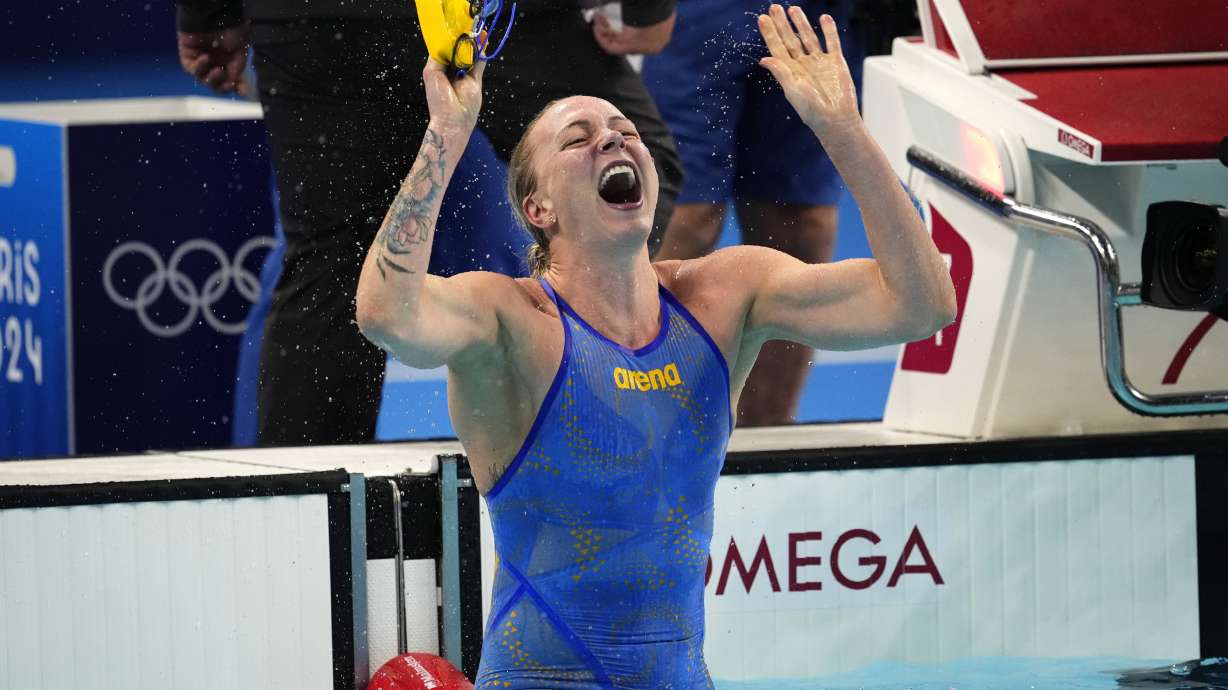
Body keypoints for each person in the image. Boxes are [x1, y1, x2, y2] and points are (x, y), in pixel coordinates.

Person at [356, 5, 955, 686]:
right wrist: (447, 133)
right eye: (579, 138)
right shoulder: (512, 322)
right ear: (538, 208)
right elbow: (385, 313)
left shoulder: (724, 295)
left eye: (625, 130)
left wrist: (842, 131)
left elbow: (921, 304)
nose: (613, 142)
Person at [174, 0, 685, 446]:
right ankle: (598, 423)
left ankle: (305, 514)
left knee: (329, 264)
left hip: (324, 19)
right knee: (635, 166)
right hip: (493, 15)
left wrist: (208, 15)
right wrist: (647, 10)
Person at [639, 0, 865, 427]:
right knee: (685, 219)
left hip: (820, 11)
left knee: (797, 225)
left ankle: (768, 438)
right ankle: (641, 430)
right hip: (698, 11)